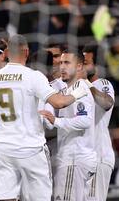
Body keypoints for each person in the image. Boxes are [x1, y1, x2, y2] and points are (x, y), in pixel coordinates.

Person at [0, 34, 88, 201]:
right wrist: (77, 93)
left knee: (5, 198)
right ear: (26, 52)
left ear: (7, 52)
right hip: (31, 149)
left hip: (4, 150)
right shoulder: (34, 76)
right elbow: (59, 103)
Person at [39, 49, 97, 201]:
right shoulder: (67, 91)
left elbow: (84, 121)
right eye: (60, 63)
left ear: (79, 67)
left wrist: (57, 121)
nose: (62, 67)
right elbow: (51, 124)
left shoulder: (80, 89)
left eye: (67, 63)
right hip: (72, 158)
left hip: (75, 159)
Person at [82, 44, 115, 200]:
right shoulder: (79, 87)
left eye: (86, 62)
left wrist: (87, 83)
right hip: (84, 157)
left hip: (99, 155)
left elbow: (107, 103)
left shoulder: (103, 84)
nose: (82, 66)